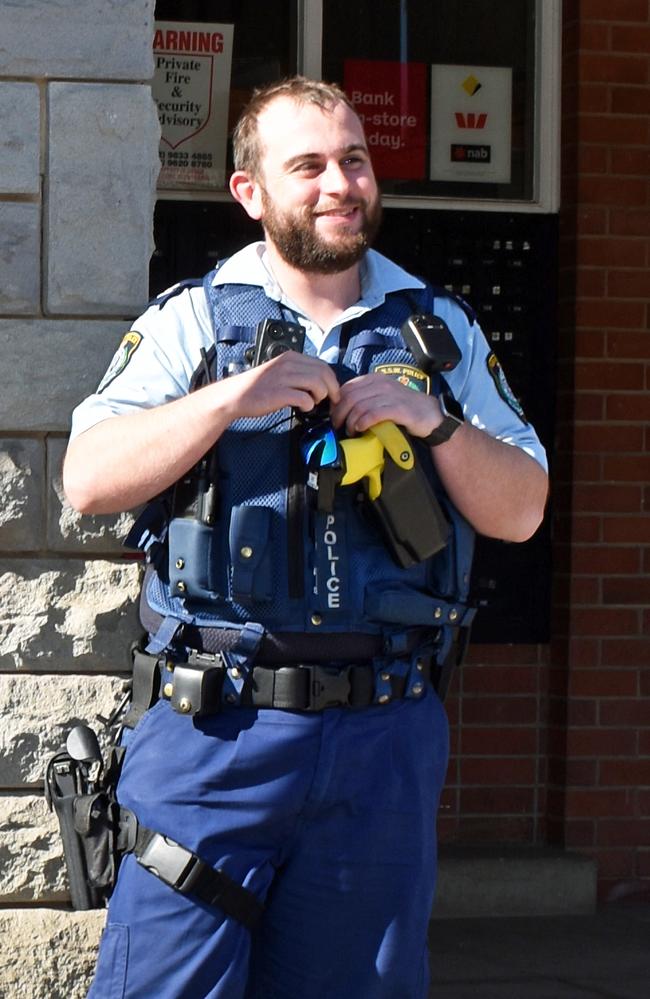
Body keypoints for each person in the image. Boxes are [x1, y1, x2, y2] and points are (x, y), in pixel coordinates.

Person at [64, 76, 548, 999]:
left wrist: (432, 421)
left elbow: (523, 508)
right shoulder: (194, 319)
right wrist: (229, 399)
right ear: (251, 192)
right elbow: (87, 478)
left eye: (355, 160)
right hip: (217, 734)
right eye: (309, 165)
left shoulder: (438, 328)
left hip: (382, 738)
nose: (341, 184)